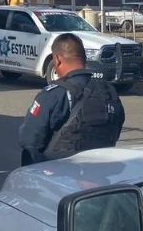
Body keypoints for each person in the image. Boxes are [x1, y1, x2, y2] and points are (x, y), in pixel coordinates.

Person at [19, 33, 125, 166]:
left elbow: (29, 140)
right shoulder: (109, 92)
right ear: (85, 58)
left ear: (57, 60)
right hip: (101, 174)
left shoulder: (55, 94)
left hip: (60, 176)